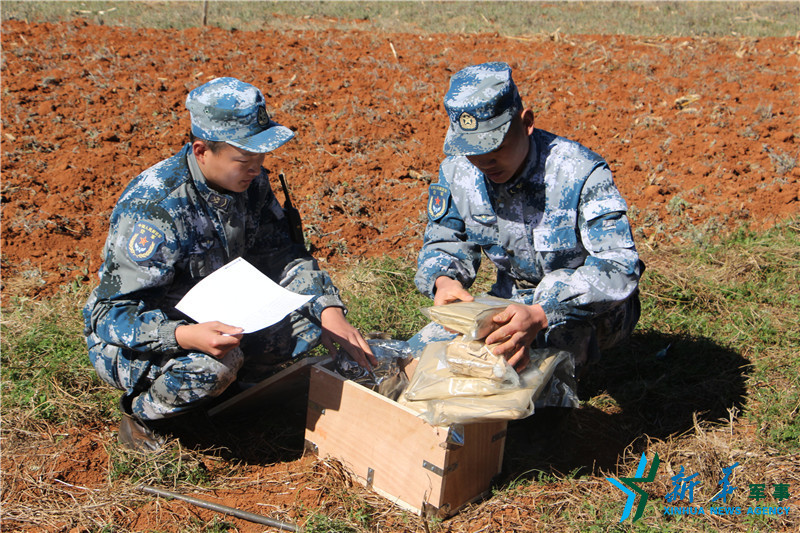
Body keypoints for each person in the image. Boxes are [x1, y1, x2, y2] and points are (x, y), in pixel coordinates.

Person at [83, 77, 376, 452]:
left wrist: (329, 311)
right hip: (143, 337)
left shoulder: (250, 183)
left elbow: (282, 255)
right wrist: (183, 336)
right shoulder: (155, 208)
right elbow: (109, 315)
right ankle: (142, 415)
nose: (256, 169)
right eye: (244, 159)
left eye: (260, 158)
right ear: (202, 150)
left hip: (222, 314)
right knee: (212, 368)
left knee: (312, 322)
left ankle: (232, 391)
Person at [409, 62, 642, 400]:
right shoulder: (458, 172)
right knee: (422, 358)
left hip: (587, 309)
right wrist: (444, 281)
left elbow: (620, 266)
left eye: (496, 145)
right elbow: (445, 241)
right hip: (508, 301)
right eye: (473, 151)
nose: (485, 161)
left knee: (516, 374)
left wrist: (540, 312)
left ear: (527, 122)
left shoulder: (580, 173)